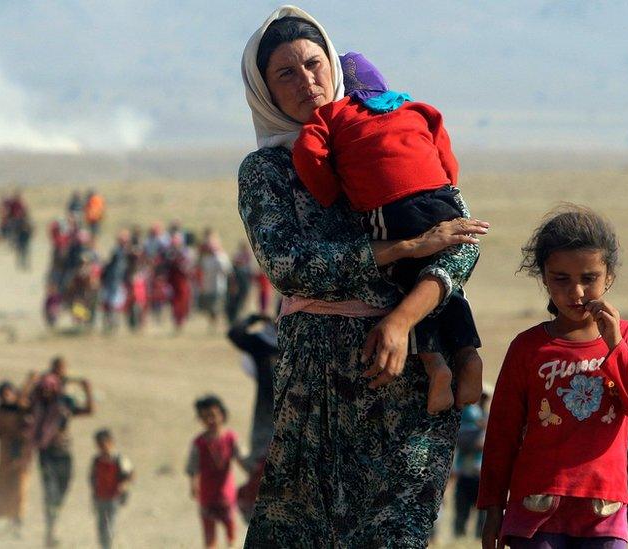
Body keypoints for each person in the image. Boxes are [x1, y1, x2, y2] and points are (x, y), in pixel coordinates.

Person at [238, 7, 488, 546]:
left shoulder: (390, 131)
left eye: (314, 64)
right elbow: (289, 266)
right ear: (265, 90)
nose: (307, 82)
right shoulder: (267, 172)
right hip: (316, 393)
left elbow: (459, 241)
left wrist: (401, 320)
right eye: (286, 73)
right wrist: (399, 248)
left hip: (411, 383)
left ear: (332, 64)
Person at [292, 51, 483, 413]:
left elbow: (307, 152)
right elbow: (445, 150)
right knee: (445, 279)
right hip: (441, 198)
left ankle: (435, 365)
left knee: (405, 276)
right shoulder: (415, 107)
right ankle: (468, 354)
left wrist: (331, 191)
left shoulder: (332, 114)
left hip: (391, 206)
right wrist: (444, 188)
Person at [478, 206, 628, 549]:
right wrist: (491, 511)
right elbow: (501, 433)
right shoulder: (528, 347)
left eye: (588, 278)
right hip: (535, 511)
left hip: (602, 512)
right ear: (544, 277)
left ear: (608, 277)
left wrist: (615, 345)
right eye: (561, 279)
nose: (576, 292)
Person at [22, 357, 94, 547]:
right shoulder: (37, 404)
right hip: (46, 454)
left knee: (63, 489)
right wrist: (29, 382)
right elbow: (21, 403)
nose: (46, 391)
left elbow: (89, 410)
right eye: (44, 388)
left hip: (64, 453)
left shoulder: (64, 404)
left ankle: (53, 523)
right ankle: (50, 531)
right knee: (50, 492)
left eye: (49, 388)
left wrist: (87, 390)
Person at [226, 314, 279, 522]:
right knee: (261, 468)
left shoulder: (300, 338)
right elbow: (235, 333)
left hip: (297, 417)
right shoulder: (262, 345)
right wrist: (254, 318)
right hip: (266, 419)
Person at [187, 395, 246, 549]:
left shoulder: (230, 438)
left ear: (222, 415)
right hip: (206, 496)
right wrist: (193, 485)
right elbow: (193, 467)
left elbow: (242, 459)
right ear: (201, 419)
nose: (211, 420)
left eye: (213, 415)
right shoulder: (198, 443)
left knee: (231, 532)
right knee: (209, 537)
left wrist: (253, 474)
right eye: (206, 417)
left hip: (226, 496)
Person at [0, 381, 32, 538]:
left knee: (20, 489)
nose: (6, 396)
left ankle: (18, 524)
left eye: (9, 393)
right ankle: (10, 522)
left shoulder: (23, 409)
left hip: (21, 453)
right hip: (5, 454)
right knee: (6, 488)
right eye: (4, 394)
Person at [89, 429, 134, 549]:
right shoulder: (97, 461)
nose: (103, 448)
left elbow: (130, 474)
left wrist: (124, 485)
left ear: (110, 442)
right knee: (101, 526)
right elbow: (93, 478)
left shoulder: (119, 459)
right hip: (100, 497)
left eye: (104, 444)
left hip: (114, 497)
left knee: (111, 525)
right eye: (100, 445)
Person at [452, 392, 489, 539]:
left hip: (482, 477)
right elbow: (468, 441)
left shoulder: (487, 420)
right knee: (462, 513)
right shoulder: (466, 421)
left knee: (483, 517)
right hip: (466, 474)